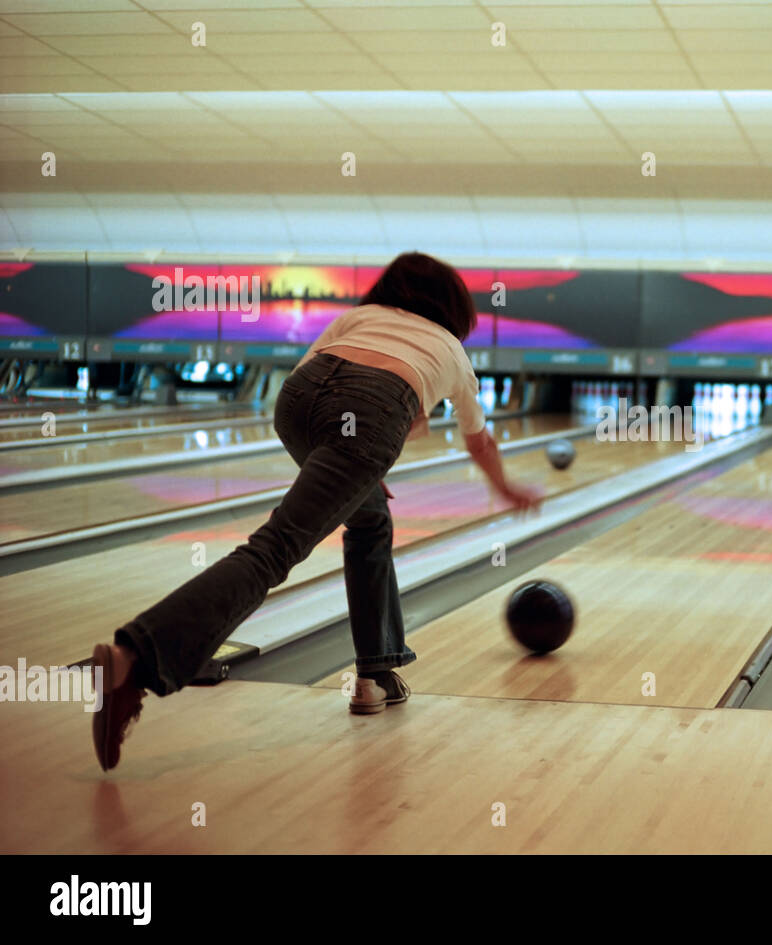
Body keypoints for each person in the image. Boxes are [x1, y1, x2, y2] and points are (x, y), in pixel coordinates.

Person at [91, 252, 541, 771]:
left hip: (298, 404)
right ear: (455, 310)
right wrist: (506, 489)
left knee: (369, 518)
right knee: (275, 549)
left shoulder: (359, 316)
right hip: (371, 411)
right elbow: (476, 441)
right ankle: (134, 658)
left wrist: (361, 463)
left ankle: (376, 672)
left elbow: (329, 382)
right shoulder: (453, 354)